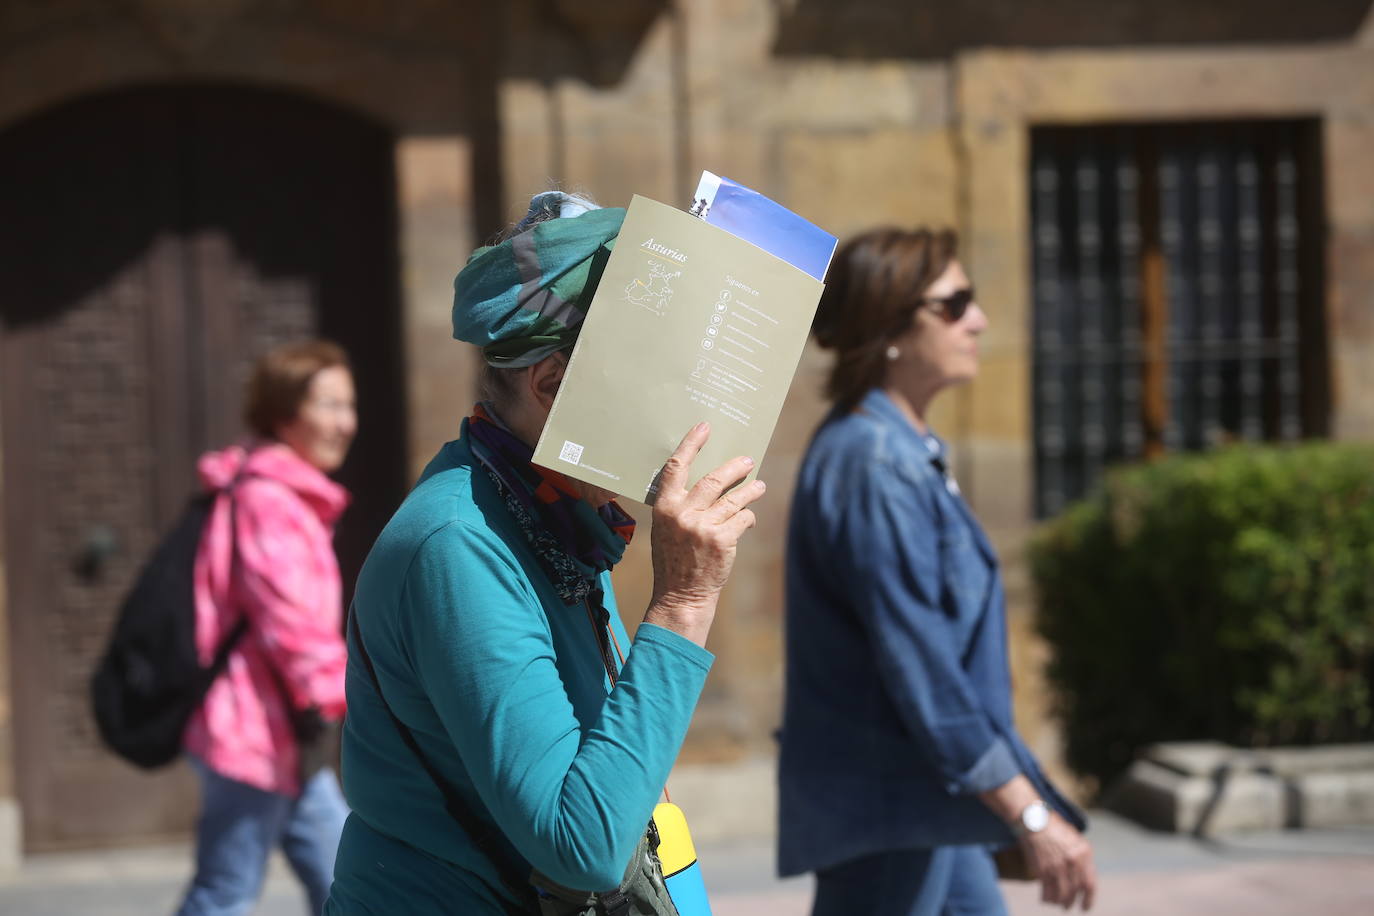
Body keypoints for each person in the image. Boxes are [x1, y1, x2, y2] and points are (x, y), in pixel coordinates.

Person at [325, 191, 764, 914]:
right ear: (555, 384)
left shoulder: (549, 508)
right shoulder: (459, 543)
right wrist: (684, 603)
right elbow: (582, 844)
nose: (690, 410)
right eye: (663, 377)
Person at [777, 228, 1097, 914]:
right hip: (891, 808)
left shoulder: (901, 449)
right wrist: (1029, 813)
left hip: (929, 805)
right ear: (887, 326)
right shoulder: (872, 464)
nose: (979, 320)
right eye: (953, 305)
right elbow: (919, 663)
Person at [177, 340, 357, 916]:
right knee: (223, 895)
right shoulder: (269, 500)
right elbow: (292, 624)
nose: (345, 423)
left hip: (284, 732)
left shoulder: (284, 495)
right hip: (249, 731)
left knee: (345, 882)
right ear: (284, 413)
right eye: (328, 405)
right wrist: (356, 699)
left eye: (348, 406)